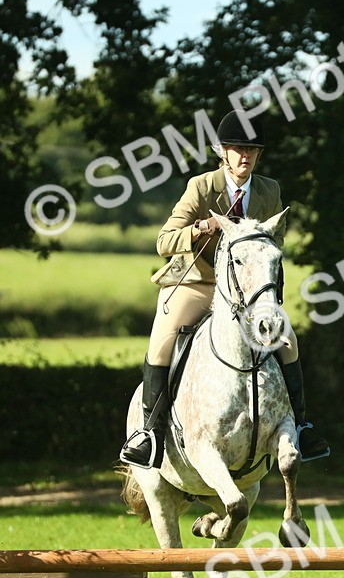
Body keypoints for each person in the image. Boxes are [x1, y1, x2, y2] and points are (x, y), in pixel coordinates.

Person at [119, 110, 329, 469]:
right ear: (223, 152)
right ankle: (149, 435)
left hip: (246, 293)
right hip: (201, 284)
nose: (244, 156)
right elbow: (164, 241)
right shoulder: (201, 187)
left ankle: (302, 425)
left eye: (252, 150)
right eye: (236, 148)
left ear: (259, 155)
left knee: (289, 340)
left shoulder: (269, 190)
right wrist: (199, 229)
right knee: (163, 339)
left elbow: (273, 243)